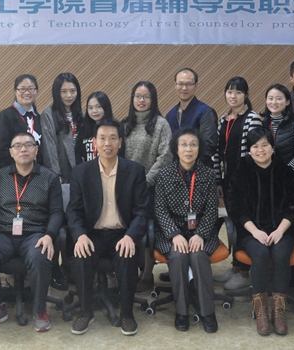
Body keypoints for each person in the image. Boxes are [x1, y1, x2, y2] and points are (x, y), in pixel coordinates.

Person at [0, 132, 63, 333]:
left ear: (36, 150)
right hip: (3, 234)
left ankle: (40, 311)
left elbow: (57, 212)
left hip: (35, 234)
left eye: (28, 145)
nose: (23, 149)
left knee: (40, 256)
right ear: (11, 152)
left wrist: (49, 235)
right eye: (18, 146)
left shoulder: (50, 178)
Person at [67, 119, 149, 337]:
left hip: (122, 233)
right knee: (81, 255)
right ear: (94, 142)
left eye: (113, 138)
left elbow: (142, 212)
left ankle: (127, 314)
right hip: (92, 234)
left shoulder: (134, 171)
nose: (107, 143)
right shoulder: (81, 172)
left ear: (120, 142)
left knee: (127, 255)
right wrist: (80, 235)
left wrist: (131, 236)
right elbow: (73, 211)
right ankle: (85, 312)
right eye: (102, 138)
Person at [228, 127, 294, 336]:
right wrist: (255, 231)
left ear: (272, 147)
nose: (260, 150)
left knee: (280, 254)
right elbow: (235, 207)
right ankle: (261, 311)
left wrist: (280, 230)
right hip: (251, 231)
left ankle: (278, 312)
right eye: (255, 146)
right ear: (249, 149)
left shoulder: (285, 171)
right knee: (260, 254)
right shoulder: (241, 171)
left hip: (282, 229)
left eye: (264, 145)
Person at [154, 128, 219, 333]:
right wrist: (174, 235)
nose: (188, 149)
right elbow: (159, 209)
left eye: (193, 144)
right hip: (172, 233)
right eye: (184, 144)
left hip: (201, 231)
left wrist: (201, 234)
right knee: (178, 256)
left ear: (199, 148)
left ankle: (208, 312)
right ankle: (181, 312)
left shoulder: (208, 174)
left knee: (199, 256)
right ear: (176, 148)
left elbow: (212, 210)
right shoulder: (164, 174)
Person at [211, 76, 261, 289]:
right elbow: (217, 153)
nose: (233, 96)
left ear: (246, 95)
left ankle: (244, 271)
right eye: (230, 92)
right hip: (227, 180)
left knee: (243, 224)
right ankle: (235, 266)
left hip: (245, 182)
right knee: (232, 223)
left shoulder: (252, 119)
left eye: (238, 92)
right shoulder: (224, 120)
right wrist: (218, 180)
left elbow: (255, 153)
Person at [122, 81, 172, 291]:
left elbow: (166, 156)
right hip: (126, 188)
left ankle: (147, 274)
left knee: (148, 230)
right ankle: (128, 270)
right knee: (128, 229)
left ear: (153, 100)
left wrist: (147, 181)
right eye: (137, 96)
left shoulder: (161, 124)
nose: (141, 100)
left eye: (146, 97)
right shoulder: (125, 125)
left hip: (152, 188)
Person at [165, 68, 217, 167]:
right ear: (175, 85)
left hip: (200, 170)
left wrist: (187, 166)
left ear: (196, 86)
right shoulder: (170, 115)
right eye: (180, 84)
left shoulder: (206, 112)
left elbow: (209, 147)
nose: (184, 88)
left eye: (189, 84)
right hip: (175, 170)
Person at [0, 74, 43, 170]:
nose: (27, 92)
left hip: (36, 172)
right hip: (12, 172)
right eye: (22, 89)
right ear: (15, 92)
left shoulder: (39, 118)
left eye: (31, 89)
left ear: (36, 91)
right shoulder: (5, 116)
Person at [41, 72, 82, 181]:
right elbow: (49, 149)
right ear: (56, 93)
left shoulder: (81, 115)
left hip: (81, 171)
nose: (69, 95)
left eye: (73, 91)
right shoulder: (48, 114)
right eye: (64, 91)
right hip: (62, 174)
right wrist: (55, 175)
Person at [75, 91, 120, 164]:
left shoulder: (115, 127)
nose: (94, 111)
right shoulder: (83, 128)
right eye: (90, 108)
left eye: (98, 107)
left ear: (105, 107)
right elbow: (77, 153)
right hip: (88, 169)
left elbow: (120, 152)